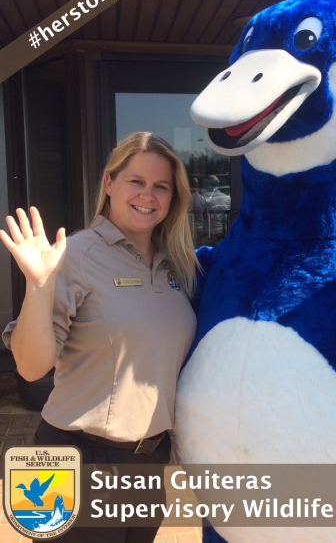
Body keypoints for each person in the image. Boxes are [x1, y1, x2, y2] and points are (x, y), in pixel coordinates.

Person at [0, 132, 198, 542]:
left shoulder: (176, 265)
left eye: (161, 186)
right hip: (75, 458)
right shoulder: (72, 256)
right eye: (136, 181)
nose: (148, 195)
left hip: (149, 460)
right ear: (109, 184)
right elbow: (32, 366)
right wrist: (38, 286)